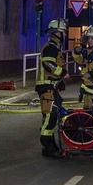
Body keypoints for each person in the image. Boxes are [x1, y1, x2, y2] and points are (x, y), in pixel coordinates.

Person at [35, 19, 69, 158]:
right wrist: (62, 73)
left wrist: (59, 82)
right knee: (51, 116)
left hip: (51, 86)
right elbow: (48, 64)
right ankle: (48, 145)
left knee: (53, 116)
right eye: (63, 32)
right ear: (57, 33)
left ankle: (50, 146)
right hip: (46, 87)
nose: (65, 35)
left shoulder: (55, 48)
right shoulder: (51, 48)